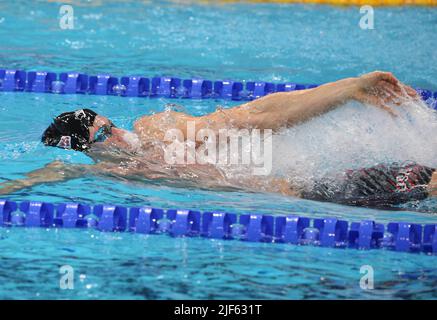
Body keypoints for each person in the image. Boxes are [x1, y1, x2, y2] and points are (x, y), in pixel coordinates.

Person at [0, 71, 435, 208]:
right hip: (313, 194)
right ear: (86, 151)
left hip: (315, 189)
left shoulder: (159, 132)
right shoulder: (118, 172)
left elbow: (254, 116)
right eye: (101, 134)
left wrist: (347, 91)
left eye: (110, 123)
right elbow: (37, 178)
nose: (117, 132)